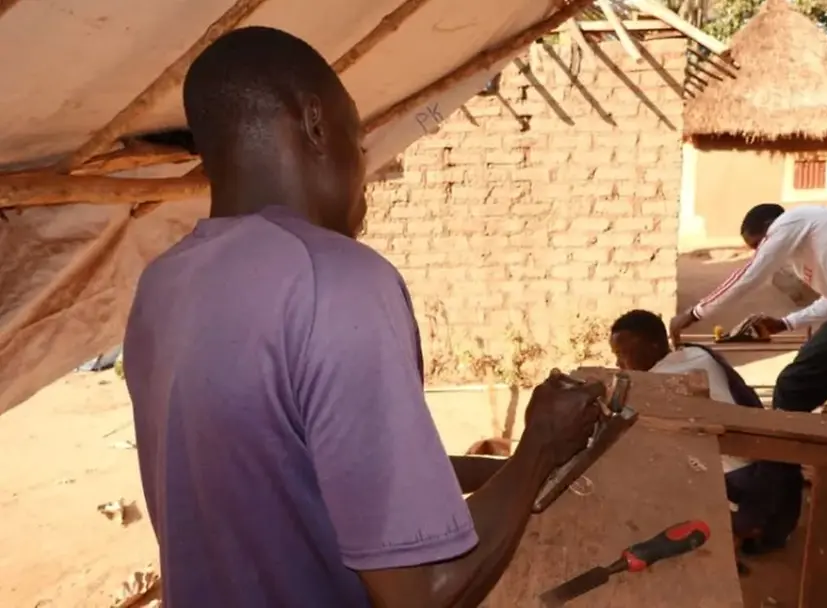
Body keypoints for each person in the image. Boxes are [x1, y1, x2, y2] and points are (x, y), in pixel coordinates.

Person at [123, 26, 605, 608]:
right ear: (316, 125)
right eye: (360, 140)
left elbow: (299, 470)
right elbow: (423, 592)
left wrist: (490, 468)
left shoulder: (164, 283)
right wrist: (541, 448)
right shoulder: (338, 281)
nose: (367, 171)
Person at [669, 203, 827, 414]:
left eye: (760, 245)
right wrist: (786, 323)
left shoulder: (791, 221)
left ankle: (779, 460)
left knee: (792, 388)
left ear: (770, 228)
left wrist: (695, 313)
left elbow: (751, 274)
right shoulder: (826, 231)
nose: (761, 251)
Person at [610, 309, 804, 555]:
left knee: (641, 475)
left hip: (745, 481)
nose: (619, 364)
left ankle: (738, 528)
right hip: (768, 466)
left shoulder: (662, 383)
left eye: (623, 355)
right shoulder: (696, 353)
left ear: (653, 346)